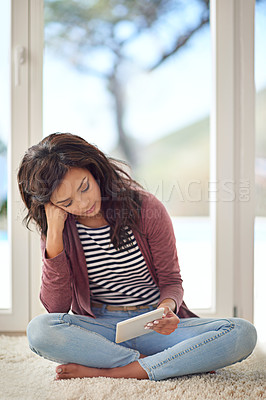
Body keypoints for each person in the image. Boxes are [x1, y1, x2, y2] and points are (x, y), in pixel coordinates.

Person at [17, 132, 257, 381]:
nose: (82, 203)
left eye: (85, 187)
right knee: (39, 331)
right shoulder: (59, 227)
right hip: (101, 329)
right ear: (52, 205)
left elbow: (171, 280)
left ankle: (115, 370)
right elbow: (56, 308)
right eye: (67, 201)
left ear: (94, 170)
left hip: (155, 325)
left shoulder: (145, 208)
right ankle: (162, 363)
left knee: (241, 333)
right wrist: (54, 234)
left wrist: (166, 309)